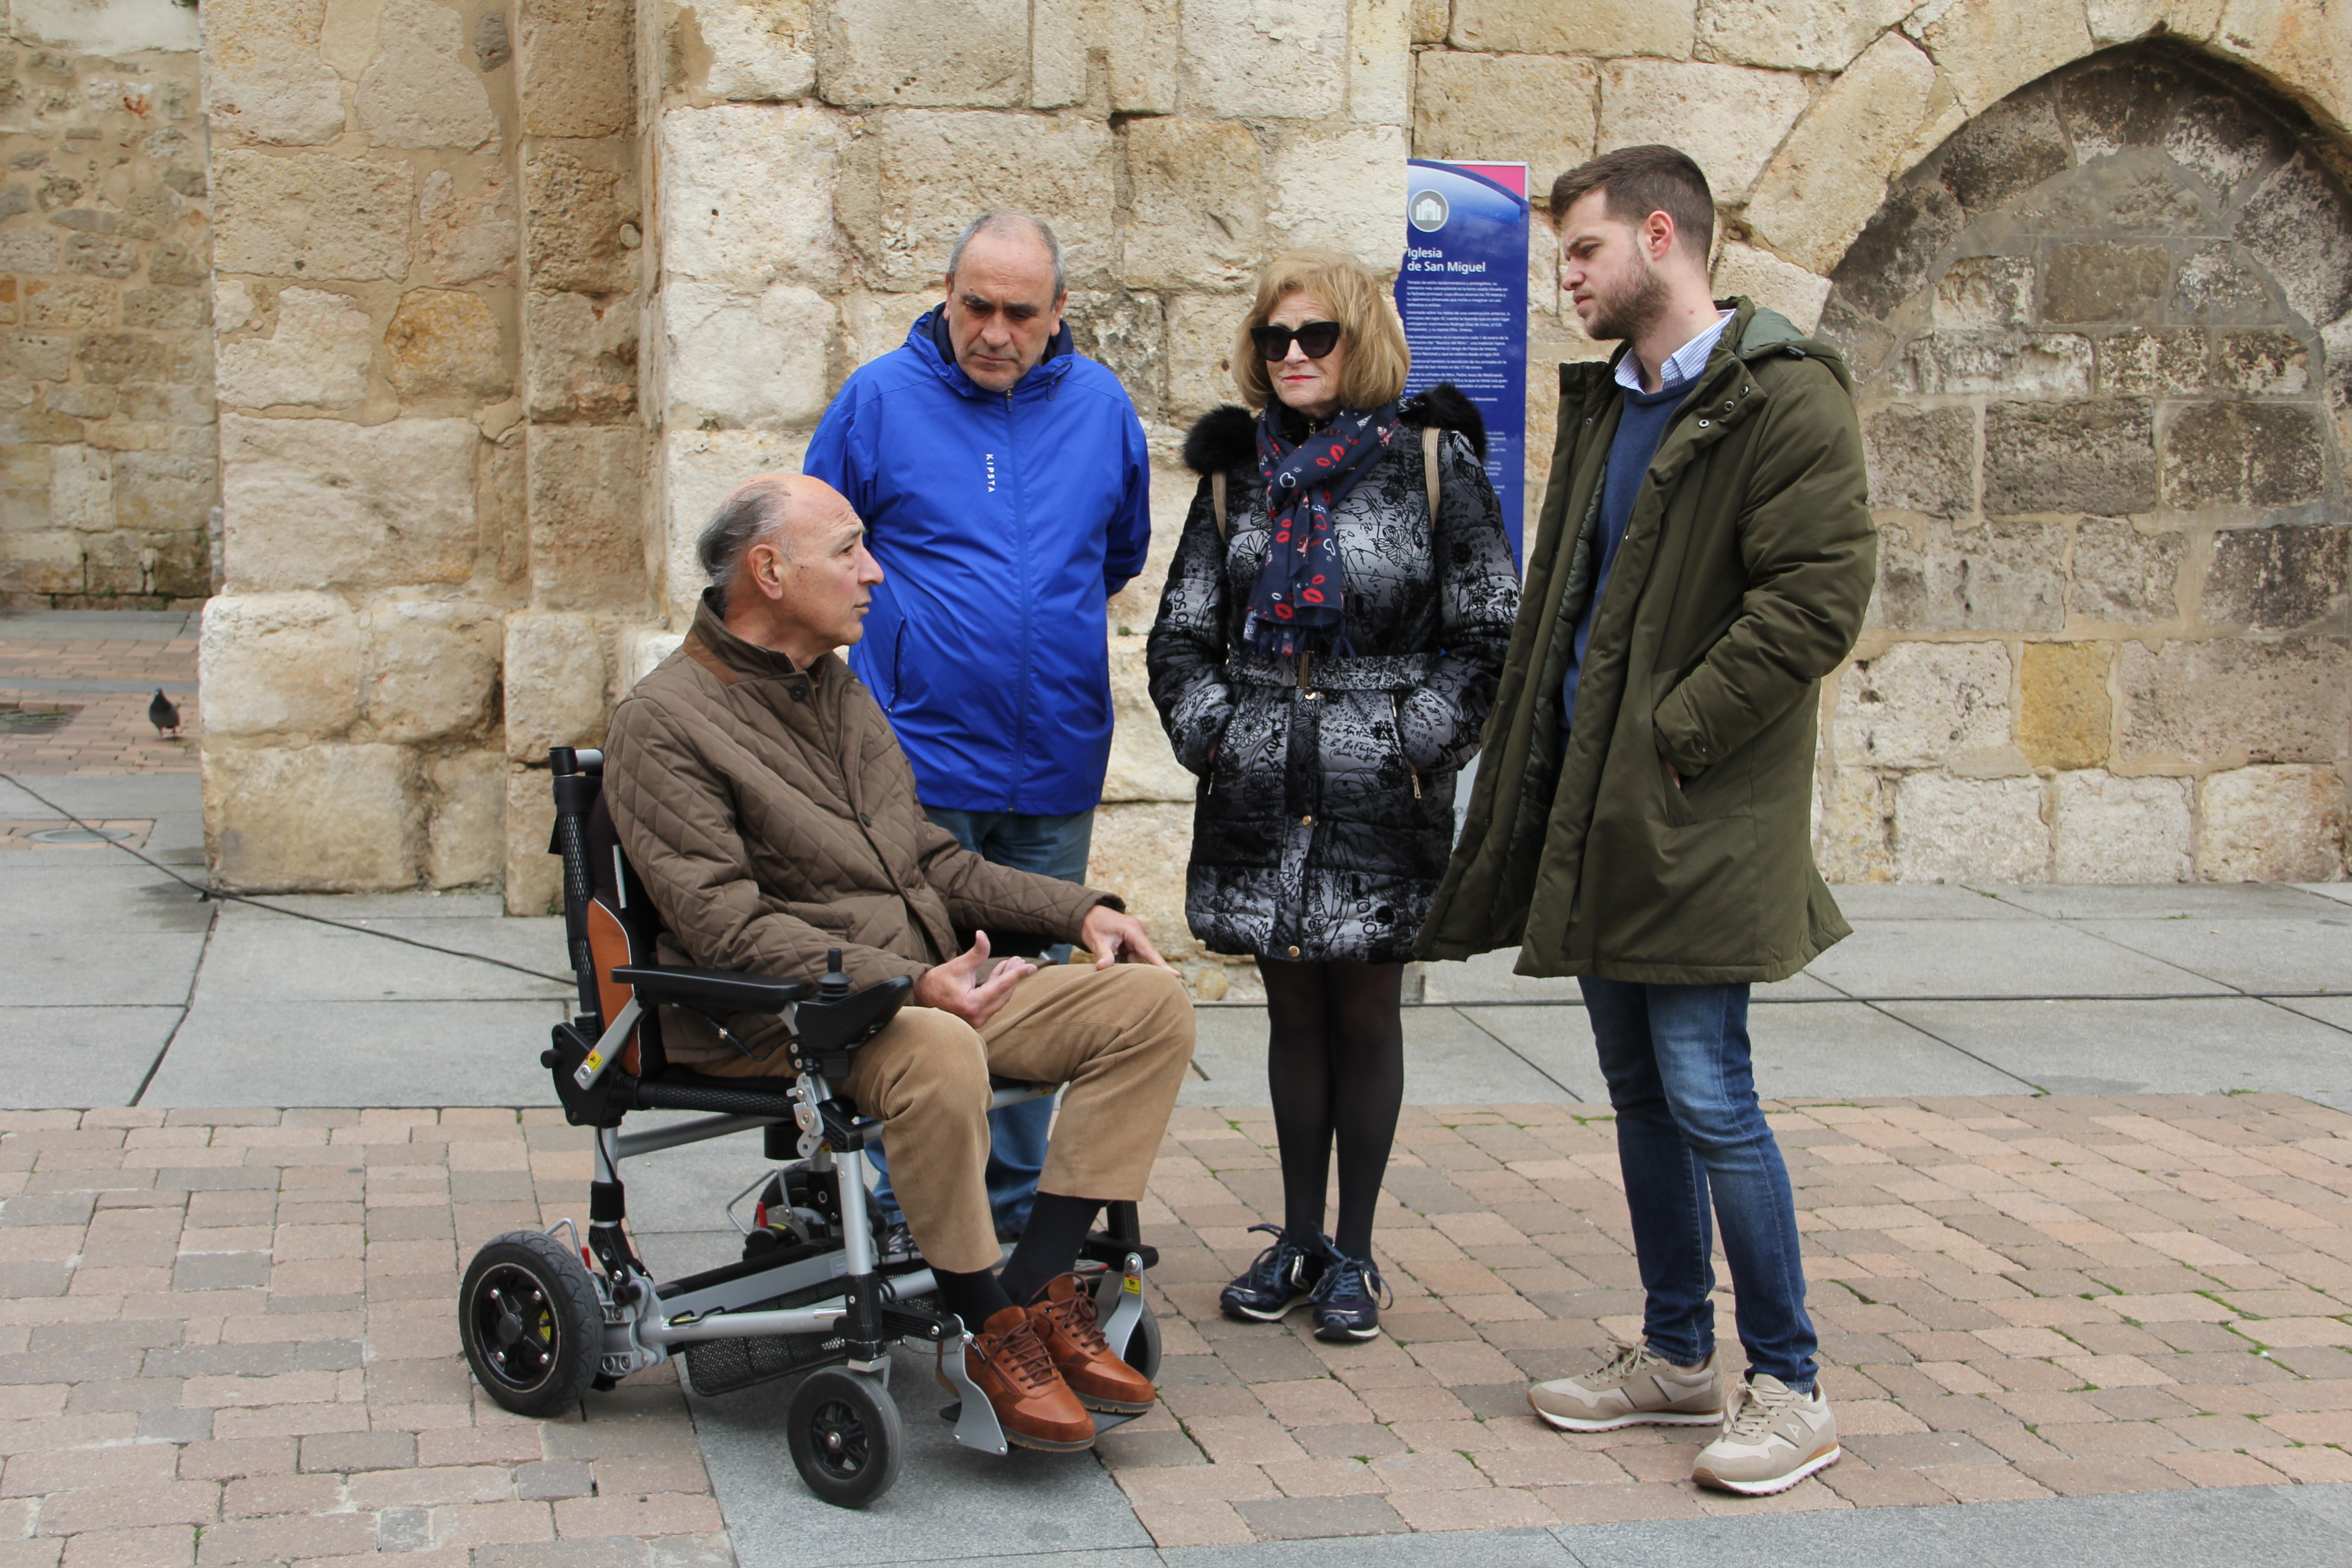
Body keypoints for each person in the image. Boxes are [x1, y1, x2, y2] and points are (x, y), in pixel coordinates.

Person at [1416, 147, 1877, 1496]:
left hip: (1694, 810)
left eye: (1582, 252)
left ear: (1662, 238)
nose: (1564, 277)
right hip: (1596, 809)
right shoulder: (1615, 402)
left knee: (1709, 1093)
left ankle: (1790, 1384)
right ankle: (1679, 1355)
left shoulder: (1784, 400)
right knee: (1635, 1091)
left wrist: (1672, 739)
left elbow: (1814, 602)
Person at [604, 473, 1193, 1453]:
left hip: (921, 989)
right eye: (848, 551)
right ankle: (985, 1326)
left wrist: (1083, 909)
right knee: (939, 1051)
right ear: (770, 571)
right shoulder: (663, 722)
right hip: (789, 1014)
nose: (874, 571)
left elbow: (930, 860)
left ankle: (1037, 1289)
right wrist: (904, 982)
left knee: (1146, 1004)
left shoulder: (834, 688)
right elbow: (723, 927)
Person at [1146, 250, 1519, 1342]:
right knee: (1291, 1011)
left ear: (1363, 343)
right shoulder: (1236, 475)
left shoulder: (1432, 462)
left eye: (1318, 336)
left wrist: (1416, 739)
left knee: (1365, 1010)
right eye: (1277, 339)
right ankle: (1296, 1236)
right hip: (1262, 780)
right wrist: (1216, 733)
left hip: (1377, 785)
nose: (1295, 355)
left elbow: (1491, 628)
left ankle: (1355, 1250)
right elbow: (1180, 633)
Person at [803, 212, 1152, 1251]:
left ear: (1056, 318)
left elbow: (1118, 553)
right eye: (975, 308)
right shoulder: (877, 401)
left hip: (1054, 761)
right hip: (915, 763)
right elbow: (820, 550)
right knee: (910, 994)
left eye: (1019, 313)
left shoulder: (1100, 407)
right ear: (946, 298)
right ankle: (889, 1210)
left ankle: (1005, 1211)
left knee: (1037, 997)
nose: (994, 332)